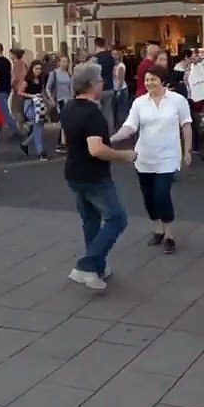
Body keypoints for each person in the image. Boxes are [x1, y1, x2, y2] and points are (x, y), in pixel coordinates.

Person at [63, 63, 137, 290]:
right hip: (94, 175)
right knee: (117, 218)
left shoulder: (69, 108)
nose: (103, 83)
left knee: (91, 220)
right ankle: (85, 266)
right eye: (100, 80)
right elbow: (96, 149)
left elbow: (66, 141)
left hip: (74, 173)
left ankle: (97, 266)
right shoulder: (93, 114)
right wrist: (124, 156)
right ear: (92, 84)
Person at [111, 64, 192, 254]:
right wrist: (112, 138)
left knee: (161, 194)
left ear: (162, 80)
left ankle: (169, 234)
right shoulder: (139, 103)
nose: (149, 83)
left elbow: (186, 126)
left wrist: (187, 151)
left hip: (168, 156)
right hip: (144, 157)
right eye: (146, 80)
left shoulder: (177, 101)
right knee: (148, 197)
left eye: (153, 79)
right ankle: (158, 229)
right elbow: (130, 127)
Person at [0, 43, 21, 141]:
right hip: (6, 88)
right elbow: (12, 75)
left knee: (4, 112)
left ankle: (16, 130)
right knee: (0, 110)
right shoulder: (7, 61)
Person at [18, 60, 50, 161]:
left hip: (39, 104)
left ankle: (25, 144)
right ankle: (40, 152)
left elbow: (42, 92)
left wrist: (47, 101)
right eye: (36, 69)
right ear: (32, 69)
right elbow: (20, 92)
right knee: (38, 125)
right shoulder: (27, 80)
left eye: (40, 69)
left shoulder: (41, 80)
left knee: (39, 127)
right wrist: (31, 96)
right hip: (29, 104)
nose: (38, 71)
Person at [47, 55, 74, 153]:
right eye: (63, 61)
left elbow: (71, 87)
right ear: (59, 62)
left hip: (69, 99)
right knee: (64, 121)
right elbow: (48, 88)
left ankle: (63, 142)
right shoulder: (54, 73)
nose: (65, 64)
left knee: (67, 122)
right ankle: (62, 143)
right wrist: (51, 99)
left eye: (66, 61)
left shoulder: (69, 74)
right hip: (59, 99)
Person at [91, 37, 118, 133]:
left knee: (97, 112)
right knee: (108, 113)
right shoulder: (111, 58)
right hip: (109, 87)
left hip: (98, 88)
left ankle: (99, 133)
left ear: (96, 45)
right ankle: (110, 134)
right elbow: (114, 72)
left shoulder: (95, 59)